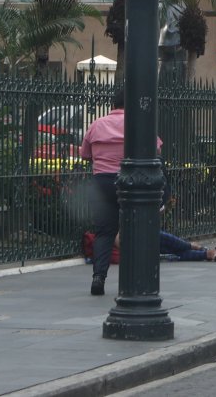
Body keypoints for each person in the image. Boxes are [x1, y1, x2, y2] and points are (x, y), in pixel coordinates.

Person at [79, 91, 162, 296]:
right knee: (136, 229)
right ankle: (136, 277)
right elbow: (157, 150)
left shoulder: (96, 124)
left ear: (112, 104)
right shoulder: (137, 123)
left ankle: (99, 276)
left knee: (104, 232)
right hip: (129, 182)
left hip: (101, 183)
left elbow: (84, 154)